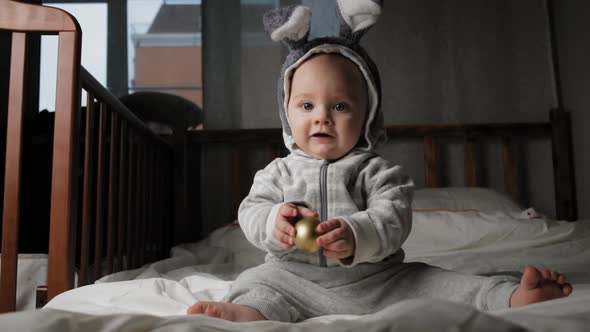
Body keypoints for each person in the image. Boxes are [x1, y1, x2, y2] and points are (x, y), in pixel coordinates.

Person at [187, 2, 572, 322]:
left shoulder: (380, 173)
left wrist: (357, 233)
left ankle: (511, 296)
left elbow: (394, 217)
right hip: (291, 278)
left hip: (379, 279)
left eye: (340, 105)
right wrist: (274, 222)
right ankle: (245, 313)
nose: (321, 116)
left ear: (367, 115)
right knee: (256, 285)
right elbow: (251, 211)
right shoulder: (277, 172)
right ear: (288, 113)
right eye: (306, 105)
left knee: (444, 283)